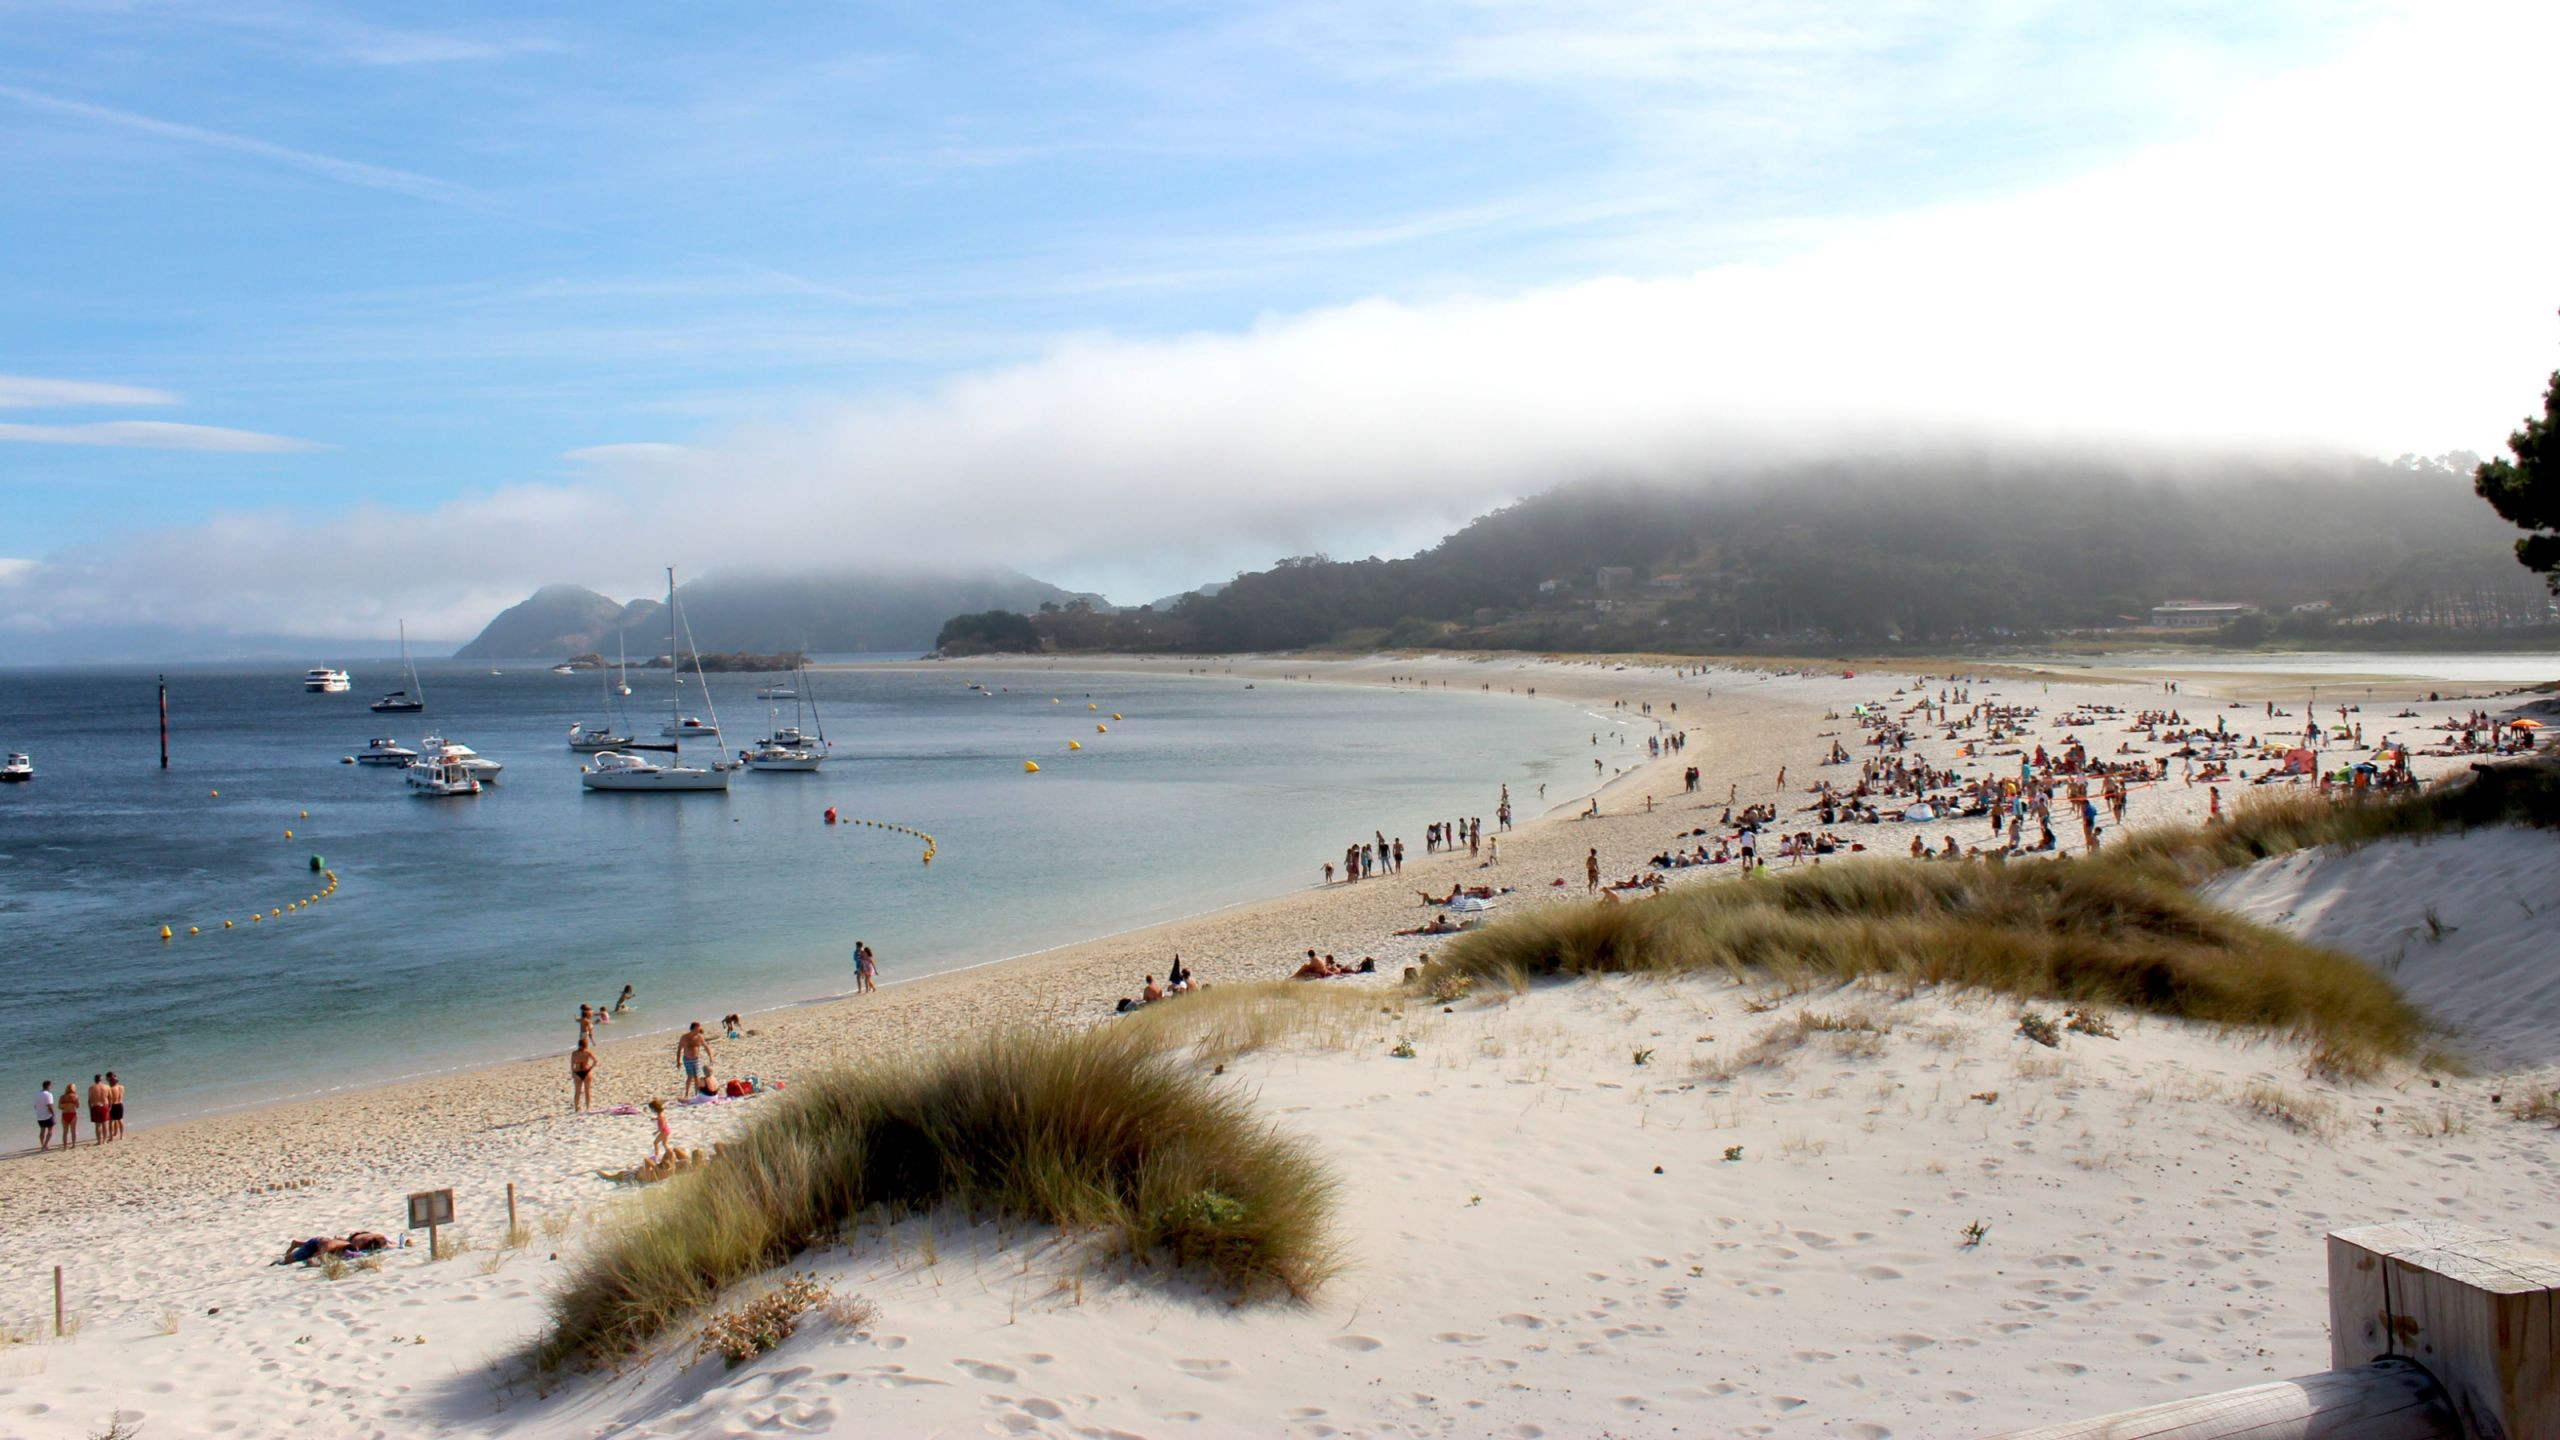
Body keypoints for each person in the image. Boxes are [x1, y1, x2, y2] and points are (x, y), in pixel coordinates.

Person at [677, 1022, 714, 1092]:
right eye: (698, 1029)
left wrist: (710, 1057)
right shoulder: (684, 1037)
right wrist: (678, 1062)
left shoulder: (699, 1037)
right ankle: (687, 1093)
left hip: (696, 1059)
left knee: (697, 1076)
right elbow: (679, 1049)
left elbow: (706, 1047)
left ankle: (697, 1093)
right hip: (687, 1059)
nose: (699, 1030)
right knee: (690, 1077)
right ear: (693, 1029)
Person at [570, 1035, 598, 1113]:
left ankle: (577, 1107)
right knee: (587, 1090)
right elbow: (595, 1061)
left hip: (577, 1072)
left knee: (578, 1091)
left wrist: (573, 1073)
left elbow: (572, 1064)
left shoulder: (574, 1053)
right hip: (586, 1071)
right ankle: (588, 1106)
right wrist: (590, 1068)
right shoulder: (587, 1052)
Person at [648, 1097, 674, 1164]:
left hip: (664, 1131)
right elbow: (661, 1120)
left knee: (655, 1143)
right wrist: (655, 1119)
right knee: (664, 1144)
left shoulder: (660, 1115)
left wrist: (657, 1131)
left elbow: (662, 1126)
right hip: (666, 1130)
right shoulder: (661, 1114)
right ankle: (670, 1154)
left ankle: (657, 1156)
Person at [57, 1077, 78, 1148]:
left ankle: (65, 1146)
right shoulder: (75, 1096)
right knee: (73, 1131)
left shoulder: (62, 1097)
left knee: (65, 1132)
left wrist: (64, 1107)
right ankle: (73, 1145)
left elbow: (59, 1107)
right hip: (72, 1114)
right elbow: (77, 1106)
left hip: (64, 1114)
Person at [36, 1080, 55, 1151]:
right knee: (50, 1130)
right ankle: (45, 1145)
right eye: (51, 1086)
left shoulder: (37, 1094)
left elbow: (35, 1106)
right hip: (47, 1115)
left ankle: (42, 1145)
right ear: (48, 1086)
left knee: (42, 1130)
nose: (51, 1087)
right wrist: (53, 1113)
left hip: (39, 1115)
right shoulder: (48, 1094)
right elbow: (50, 1105)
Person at [106, 1071, 124, 1141]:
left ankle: (111, 1137)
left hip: (114, 1105)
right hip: (120, 1104)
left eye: (110, 1080)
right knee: (119, 1120)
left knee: (111, 1121)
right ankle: (120, 1135)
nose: (109, 1081)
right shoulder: (121, 1087)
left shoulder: (111, 1088)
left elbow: (109, 1098)